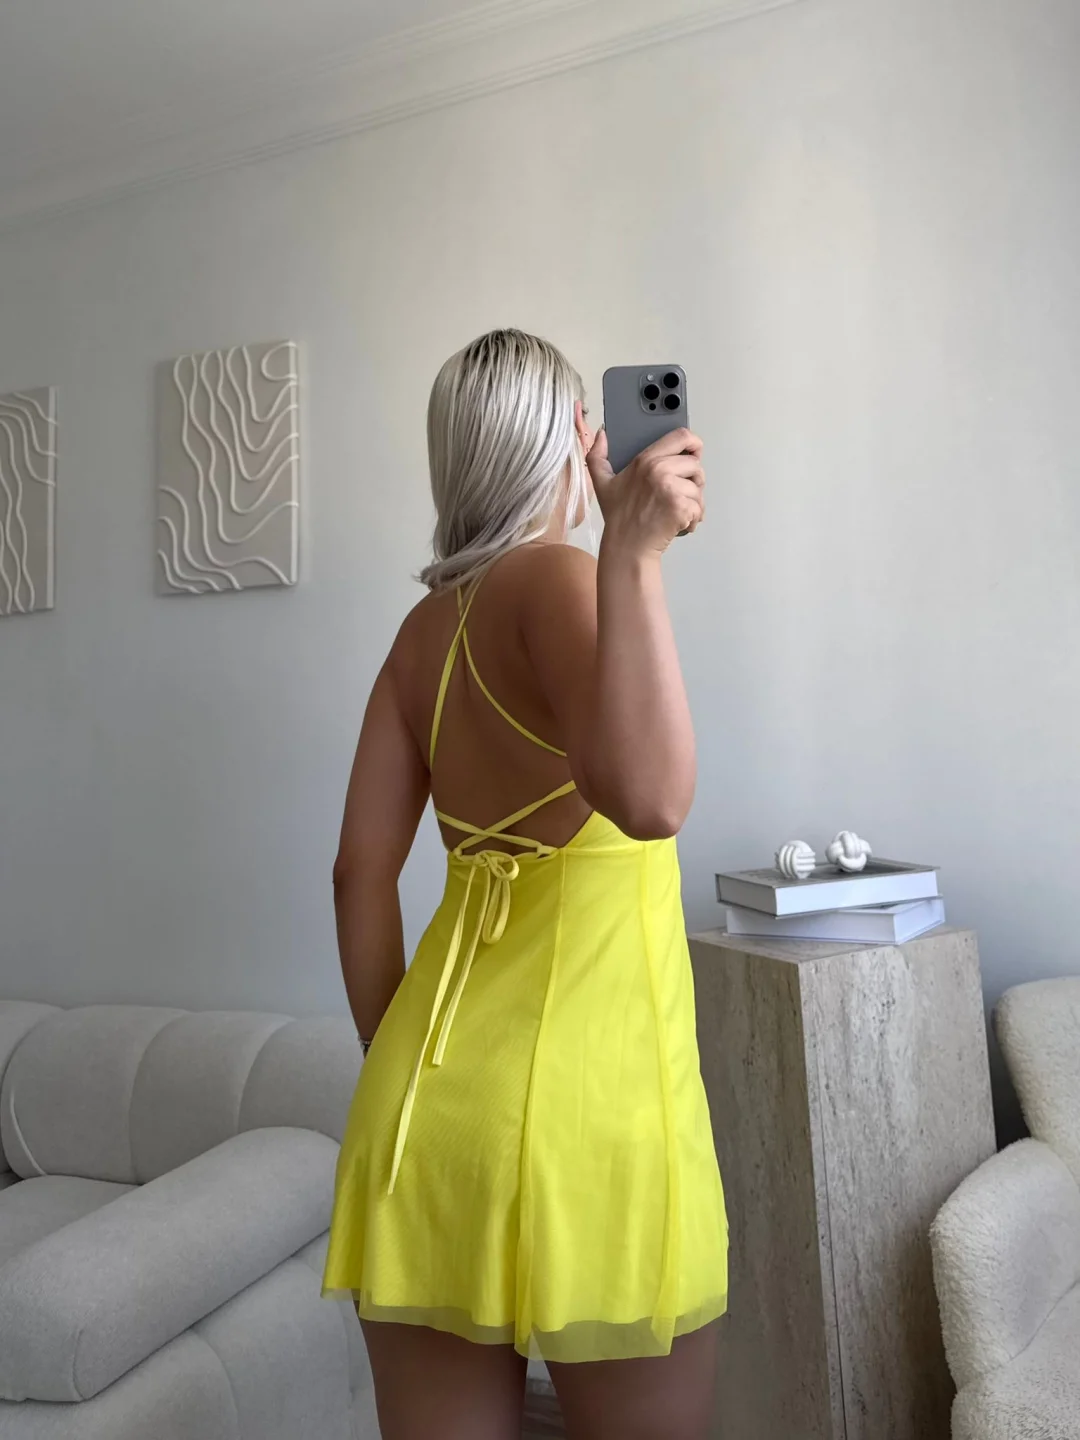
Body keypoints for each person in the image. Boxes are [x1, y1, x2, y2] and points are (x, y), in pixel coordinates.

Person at [322, 329, 728, 1440]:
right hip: (596, 1125)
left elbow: (360, 876)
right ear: (564, 444)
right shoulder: (562, 578)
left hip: (427, 1113)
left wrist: (406, 1069)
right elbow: (652, 799)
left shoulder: (420, 634)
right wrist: (630, 555)